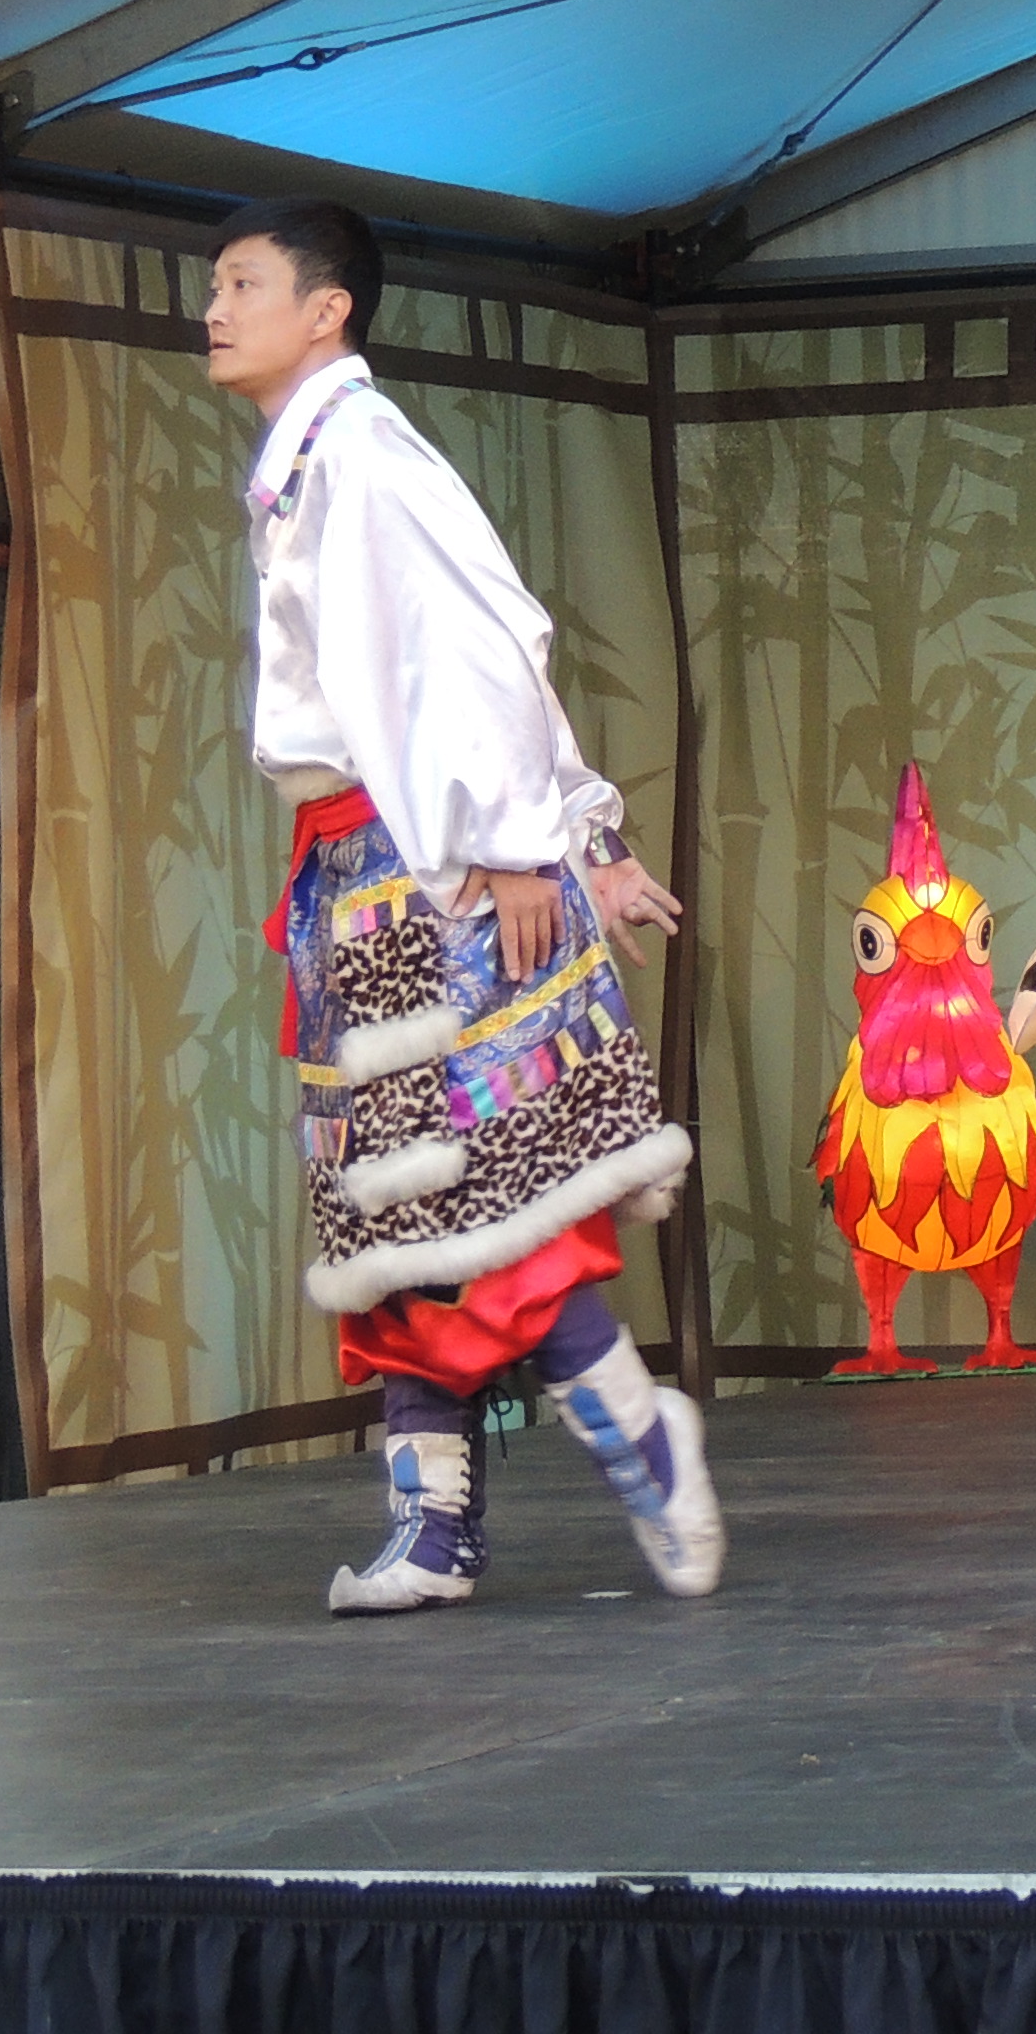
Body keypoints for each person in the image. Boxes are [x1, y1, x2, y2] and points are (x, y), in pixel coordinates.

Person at [202, 196, 723, 1615]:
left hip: (423, 874)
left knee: (484, 1205)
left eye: (243, 283)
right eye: (215, 286)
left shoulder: (364, 453)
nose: (215, 310)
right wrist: (574, 831)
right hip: (359, 881)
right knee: (389, 1216)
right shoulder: (312, 462)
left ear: (328, 310)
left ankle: (640, 1441)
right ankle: (433, 1527)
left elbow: (479, 645)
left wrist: (526, 843)